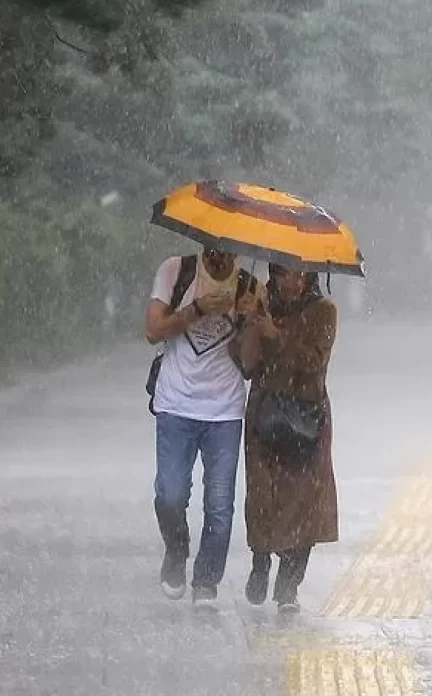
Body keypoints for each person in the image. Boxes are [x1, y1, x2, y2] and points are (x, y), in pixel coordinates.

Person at [145, 248, 260, 606]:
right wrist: (197, 309)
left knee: (220, 502)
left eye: (228, 246)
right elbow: (153, 331)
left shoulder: (250, 286)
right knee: (170, 494)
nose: (220, 253)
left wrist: (250, 321)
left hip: (224, 410)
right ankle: (177, 551)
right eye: (213, 244)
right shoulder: (176, 270)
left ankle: (207, 580)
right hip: (176, 404)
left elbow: (252, 363)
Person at [237, 264, 339, 612]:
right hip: (264, 414)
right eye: (284, 273)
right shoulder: (261, 300)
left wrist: (275, 335)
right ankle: (261, 561)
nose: (293, 282)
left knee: (306, 503)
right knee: (263, 493)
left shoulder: (324, 311)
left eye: (301, 274)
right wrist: (252, 325)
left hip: (306, 417)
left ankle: (289, 585)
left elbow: (312, 362)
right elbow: (246, 365)